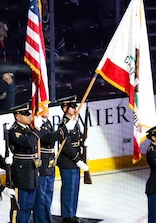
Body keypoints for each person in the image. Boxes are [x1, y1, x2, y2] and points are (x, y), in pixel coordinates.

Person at [32, 109, 71, 223]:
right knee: (41, 196)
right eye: (43, 107)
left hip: (49, 162)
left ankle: (46, 219)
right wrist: (64, 129)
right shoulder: (36, 124)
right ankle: (41, 220)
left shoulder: (47, 122)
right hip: (42, 163)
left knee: (48, 194)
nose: (47, 109)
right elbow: (48, 138)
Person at [56, 95, 89, 223]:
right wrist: (77, 160)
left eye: (75, 106)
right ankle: (67, 216)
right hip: (68, 161)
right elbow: (66, 146)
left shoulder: (74, 122)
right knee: (68, 189)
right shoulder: (64, 124)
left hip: (75, 159)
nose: (75, 108)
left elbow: (76, 140)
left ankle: (72, 213)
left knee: (74, 189)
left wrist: (82, 143)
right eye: (72, 106)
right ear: (65, 108)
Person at [7, 102, 40, 223]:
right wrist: (36, 131)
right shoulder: (14, 131)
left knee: (29, 204)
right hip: (21, 172)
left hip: (31, 169)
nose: (29, 116)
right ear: (17, 116)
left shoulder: (27, 129)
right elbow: (29, 142)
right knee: (20, 204)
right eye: (25, 114)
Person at [0, 19, 20, 112]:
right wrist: (3, 75)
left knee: (11, 108)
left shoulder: (10, 44)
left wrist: (11, 74)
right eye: (0, 27)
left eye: (4, 26)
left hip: (10, 80)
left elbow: (16, 60)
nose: (3, 28)